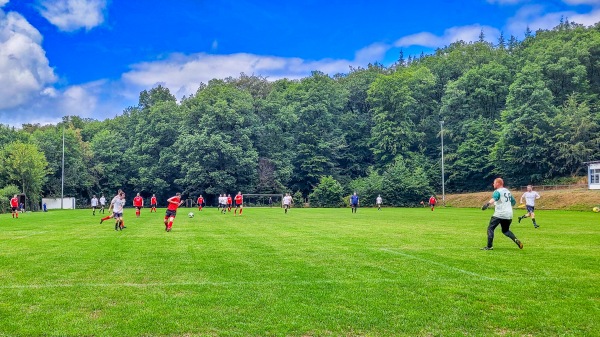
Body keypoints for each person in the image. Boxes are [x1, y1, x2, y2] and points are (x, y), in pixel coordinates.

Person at [481, 178, 523, 250]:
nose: (493, 184)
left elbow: (495, 198)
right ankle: (515, 240)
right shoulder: (507, 191)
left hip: (499, 214)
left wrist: (487, 204)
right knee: (506, 231)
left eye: (494, 183)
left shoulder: (497, 191)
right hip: (509, 214)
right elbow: (513, 202)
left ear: (498, 183)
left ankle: (489, 246)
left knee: (490, 228)